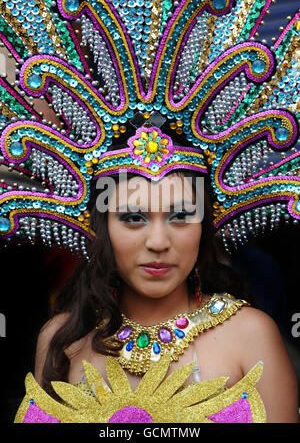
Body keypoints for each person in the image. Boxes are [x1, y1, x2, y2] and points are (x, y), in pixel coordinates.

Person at [30, 170, 299, 423]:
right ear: (102, 229)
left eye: (180, 216)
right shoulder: (63, 338)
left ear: (203, 228)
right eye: (134, 218)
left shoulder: (250, 334)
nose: (158, 242)